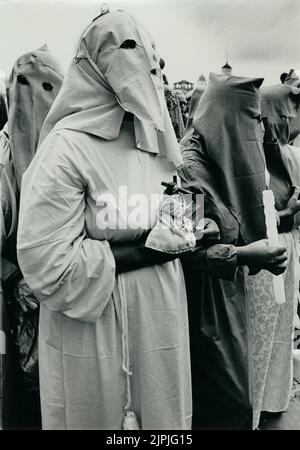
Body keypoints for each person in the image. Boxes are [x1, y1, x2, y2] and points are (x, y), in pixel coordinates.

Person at [16, 10, 287, 430]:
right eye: (129, 48)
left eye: (155, 55)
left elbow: (179, 230)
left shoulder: (158, 147)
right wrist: (149, 247)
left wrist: (201, 235)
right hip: (95, 335)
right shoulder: (65, 151)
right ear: (92, 65)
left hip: (161, 324)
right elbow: (46, 263)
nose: (152, 65)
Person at [179, 72, 281, 429]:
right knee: (224, 404)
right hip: (200, 311)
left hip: (227, 303)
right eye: (248, 122)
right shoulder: (186, 170)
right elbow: (176, 253)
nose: (255, 134)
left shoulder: (217, 157)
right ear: (223, 118)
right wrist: (241, 255)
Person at [0, 45, 63, 429]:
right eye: (25, 87)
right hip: (14, 306)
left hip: (65, 299)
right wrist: (13, 277)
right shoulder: (2, 160)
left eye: (49, 89)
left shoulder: (66, 156)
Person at [246, 82, 300, 429]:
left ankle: (273, 396)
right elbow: (246, 217)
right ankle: (254, 402)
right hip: (263, 254)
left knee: (279, 328)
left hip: (283, 249)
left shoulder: (288, 156)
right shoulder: (249, 158)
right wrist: (286, 212)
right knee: (260, 334)